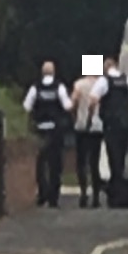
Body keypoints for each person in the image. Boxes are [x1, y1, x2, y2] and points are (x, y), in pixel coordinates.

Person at [23, 61, 73, 207]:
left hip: (40, 130)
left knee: (41, 163)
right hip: (56, 130)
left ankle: (42, 194)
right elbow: (67, 106)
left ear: (42, 72)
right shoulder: (59, 87)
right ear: (54, 72)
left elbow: (26, 106)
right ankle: (53, 198)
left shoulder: (35, 87)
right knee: (55, 165)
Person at [89, 57, 128, 207]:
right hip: (125, 124)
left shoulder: (104, 81)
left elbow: (93, 99)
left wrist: (92, 115)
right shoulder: (126, 80)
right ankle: (122, 193)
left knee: (113, 158)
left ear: (106, 68)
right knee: (122, 158)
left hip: (111, 125)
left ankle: (116, 194)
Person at [71, 72, 103, 208]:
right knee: (95, 162)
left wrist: (75, 117)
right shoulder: (101, 85)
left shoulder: (79, 84)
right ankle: (96, 196)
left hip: (81, 127)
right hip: (97, 127)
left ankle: (83, 192)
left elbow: (73, 103)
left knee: (81, 162)